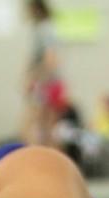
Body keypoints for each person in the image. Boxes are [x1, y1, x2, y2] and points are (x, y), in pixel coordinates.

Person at [24, 0, 68, 146]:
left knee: (33, 123)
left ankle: (37, 160)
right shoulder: (46, 28)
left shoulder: (44, 29)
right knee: (48, 128)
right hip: (50, 82)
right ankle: (51, 162)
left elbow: (51, 59)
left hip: (46, 83)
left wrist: (34, 79)